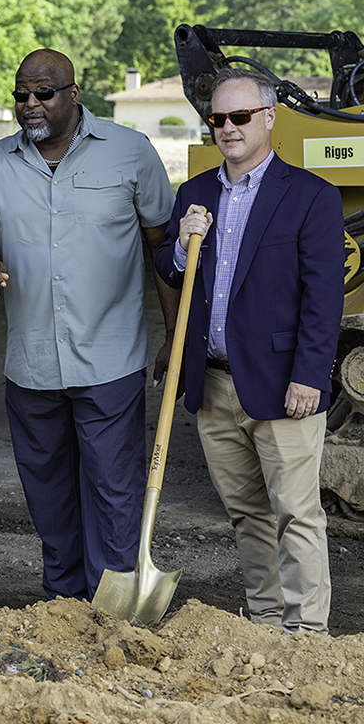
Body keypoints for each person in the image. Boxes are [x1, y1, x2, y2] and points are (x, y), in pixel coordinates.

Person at [0, 48, 179, 602]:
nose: (30, 104)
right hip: (30, 363)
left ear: (73, 95)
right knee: (48, 492)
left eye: (43, 94)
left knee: (112, 489)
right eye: (21, 96)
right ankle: (64, 603)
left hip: (110, 357)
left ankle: (113, 608)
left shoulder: (131, 152)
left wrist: (176, 337)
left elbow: (165, 253)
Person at [155, 68, 344, 632]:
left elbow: (323, 298)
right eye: (217, 118)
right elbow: (167, 268)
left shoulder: (311, 197)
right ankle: (263, 624)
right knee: (247, 514)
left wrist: (311, 375)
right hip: (213, 384)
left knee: (298, 515)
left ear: (269, 118)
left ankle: (306, 633)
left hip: (285, 383)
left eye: (240, 116)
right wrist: (186, 247)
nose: (227, 128)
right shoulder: (194, 194)